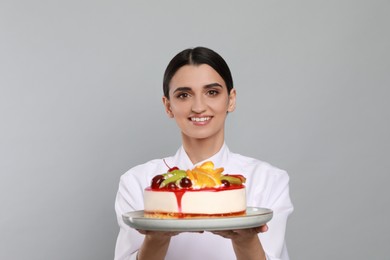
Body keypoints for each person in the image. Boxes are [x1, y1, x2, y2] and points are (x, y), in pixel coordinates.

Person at [114, 47, 293, 260]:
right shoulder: (136, 181)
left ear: (231, 99)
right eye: (184, 95)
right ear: (168, 106)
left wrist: (246, 239)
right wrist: (156, 238)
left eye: (212, 92)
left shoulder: (269, 180)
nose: (198, 107)